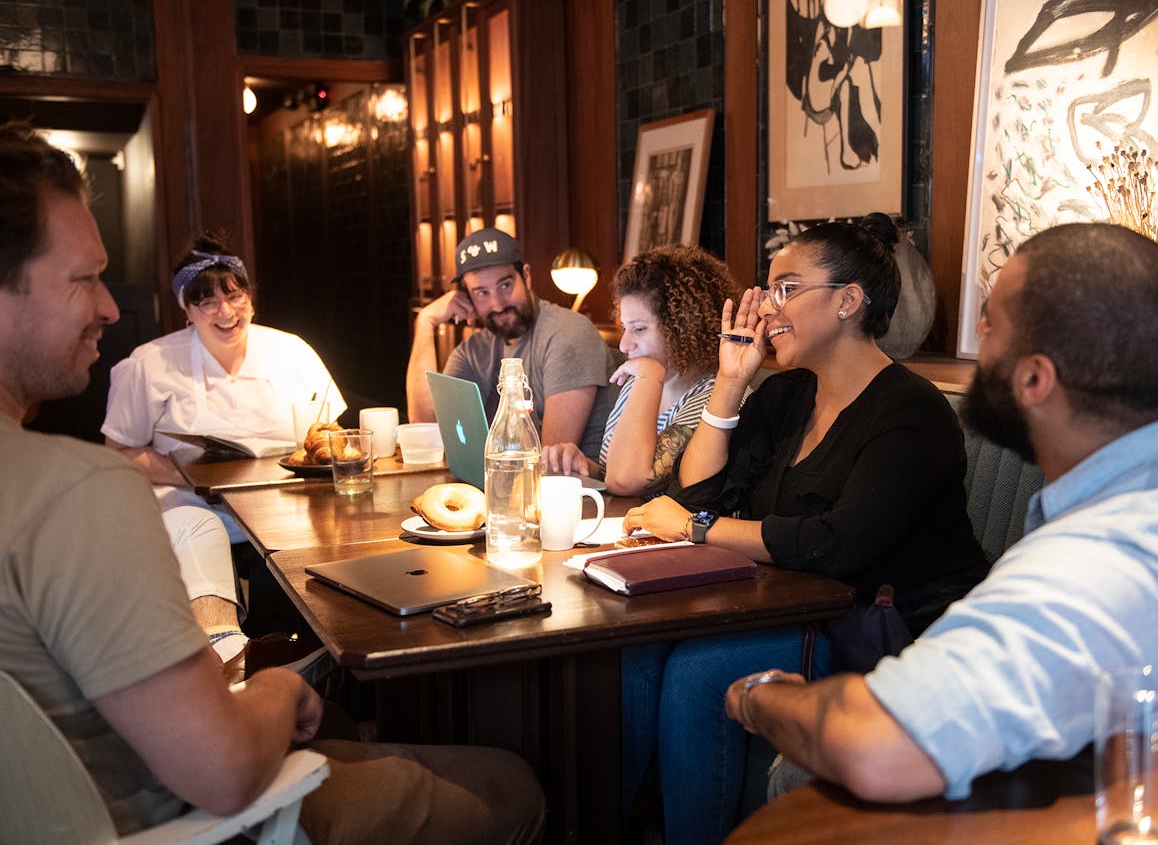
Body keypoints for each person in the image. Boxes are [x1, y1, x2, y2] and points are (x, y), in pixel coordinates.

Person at [0, 120, 545, 844]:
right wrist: (280, 684)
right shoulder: (81, 492)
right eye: (84, 278)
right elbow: (222, 769)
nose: (107, 306)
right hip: (191, 820)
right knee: (515, 785)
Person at [725, 222, 1158, 806]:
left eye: (992, 321)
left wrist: (761, 694)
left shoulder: (1097, 567)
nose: (978, 334)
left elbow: (878, 747)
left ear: (1035, 379)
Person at [618, 215, 989, 843]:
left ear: (848, 302)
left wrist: (702, 530)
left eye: (785, 289)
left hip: (887, 626)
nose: (766, 307)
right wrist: (733, 381)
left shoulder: (911, 412)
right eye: (766, 289)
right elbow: (702, 491)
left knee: (698, 671)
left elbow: (834, 544)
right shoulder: (788, 394)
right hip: (789, 609)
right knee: (633, 652)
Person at [100, 232, 347, 669]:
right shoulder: (150, 363)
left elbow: (329, 432)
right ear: (185, 308)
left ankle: (296, 657)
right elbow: (119, 450)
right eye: (207, 303)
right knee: (198, 530)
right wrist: (194, 474)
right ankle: (226, 654)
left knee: (304, 552)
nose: (226, 313)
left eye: (235, 297)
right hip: (191, 504)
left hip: (281, 505)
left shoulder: (291, 351)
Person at [541, 245, 742, 496]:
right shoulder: (642, 378)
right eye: (624, 328)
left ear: (683, 328)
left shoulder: (717, 395)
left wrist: (648, 377)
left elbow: (627, 481)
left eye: (639, 329)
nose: (625, 344)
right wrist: (584, 468)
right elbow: (614, 474)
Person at [405, 227, 619, 460]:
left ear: (526, 277)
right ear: (467, 296)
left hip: (578, 491)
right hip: (507, 483)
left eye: (505, 285)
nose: (497, 304)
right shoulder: (474, 350)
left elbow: (549, 460)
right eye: (481, 293)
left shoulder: (568, 334)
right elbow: (424, 425)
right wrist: (426, 322)